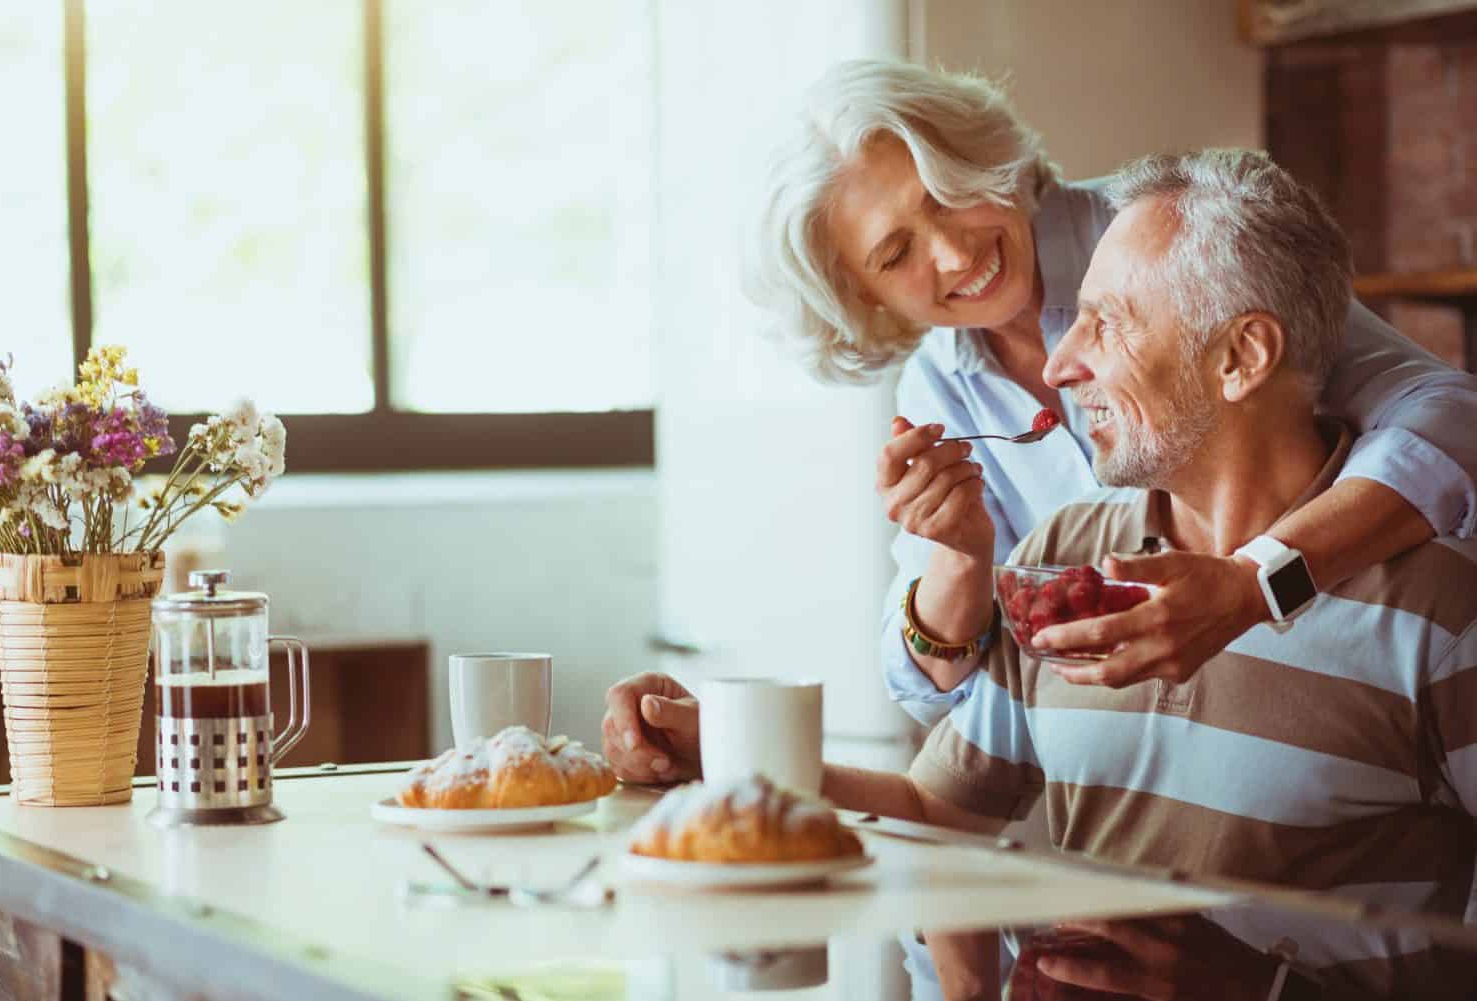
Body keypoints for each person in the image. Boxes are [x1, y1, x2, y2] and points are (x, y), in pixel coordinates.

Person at [606, 150, 1477, 998]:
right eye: (895, 251)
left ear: (1241, 358)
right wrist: (725, 759)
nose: (1058, 367)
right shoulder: (1059, 554)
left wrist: (1269, 990)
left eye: (1108, 323)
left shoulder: (1441, 611)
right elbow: (939, 811)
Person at [735, 59, 1477, 727]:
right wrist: (960, 557)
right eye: (895, 254)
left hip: (1362, 693)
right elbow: (934, 685)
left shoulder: (1167, 233)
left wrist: (1255, 583)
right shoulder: (938, 385)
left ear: (979, 152)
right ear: (861, 300)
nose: (956, 252)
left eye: (948, 192)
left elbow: (1451, 418)